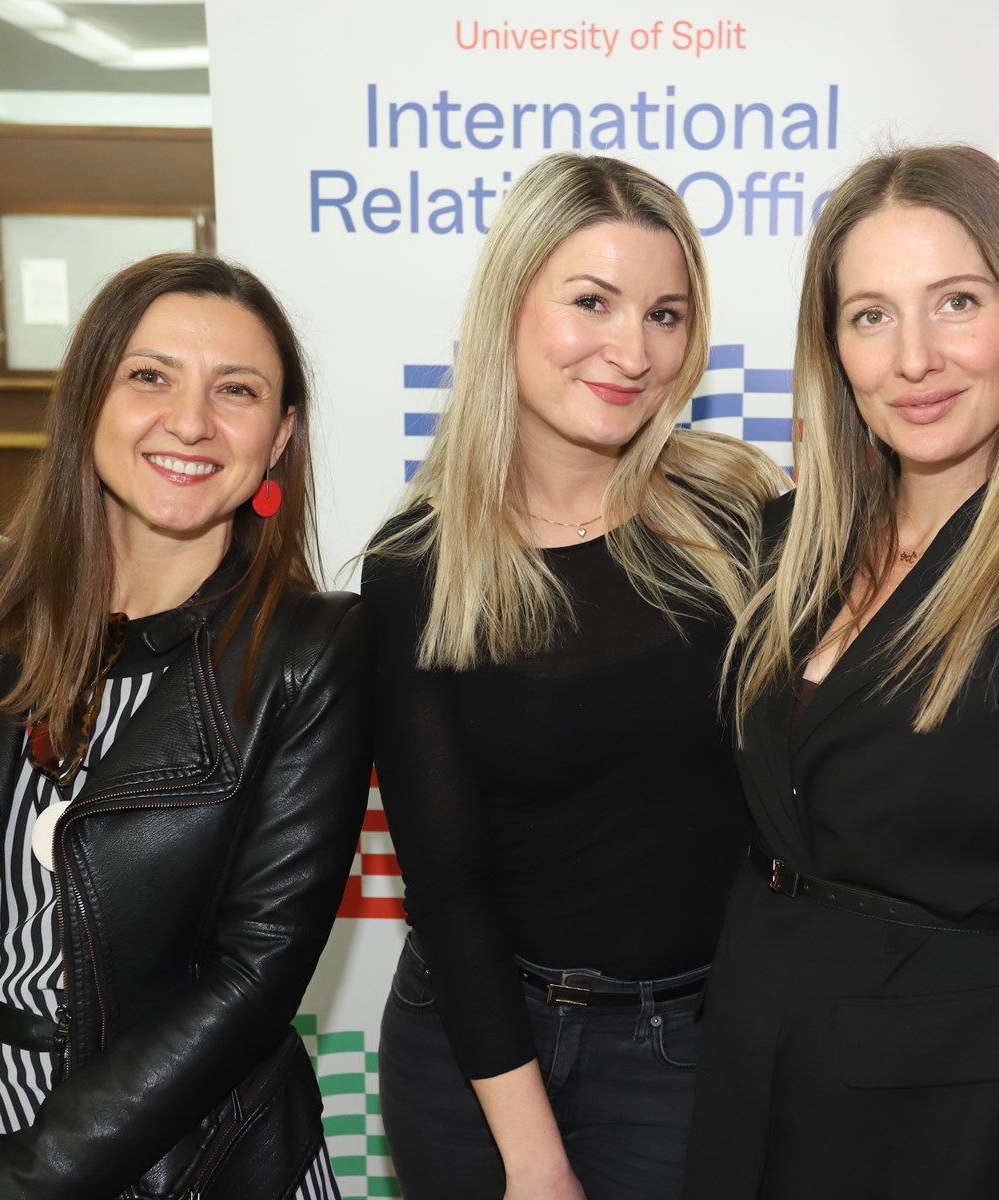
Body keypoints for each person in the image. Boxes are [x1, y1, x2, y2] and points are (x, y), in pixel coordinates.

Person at [681, 144, 999, 1199]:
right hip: (751, 1075)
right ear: (833, 346)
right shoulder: (784, 544)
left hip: (947, 1133)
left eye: (956, 302)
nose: (914, 358)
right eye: (871, 315)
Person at [0, 253, 373, 1200]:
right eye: (150, 376)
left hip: (192, 1153)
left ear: (280, 436)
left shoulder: (311, 652)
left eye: (237, 390)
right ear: (88, 397)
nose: (190, 422)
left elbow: (252, 978)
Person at [361, 152, 787, 1200]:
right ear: (509, 306)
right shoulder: (420, 567)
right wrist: (534, 1159)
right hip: (473, 1056)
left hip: (684, 1049)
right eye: (591, 302)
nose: (632, 351)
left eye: (664, 315)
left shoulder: (745, 516)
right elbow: (447, 886)